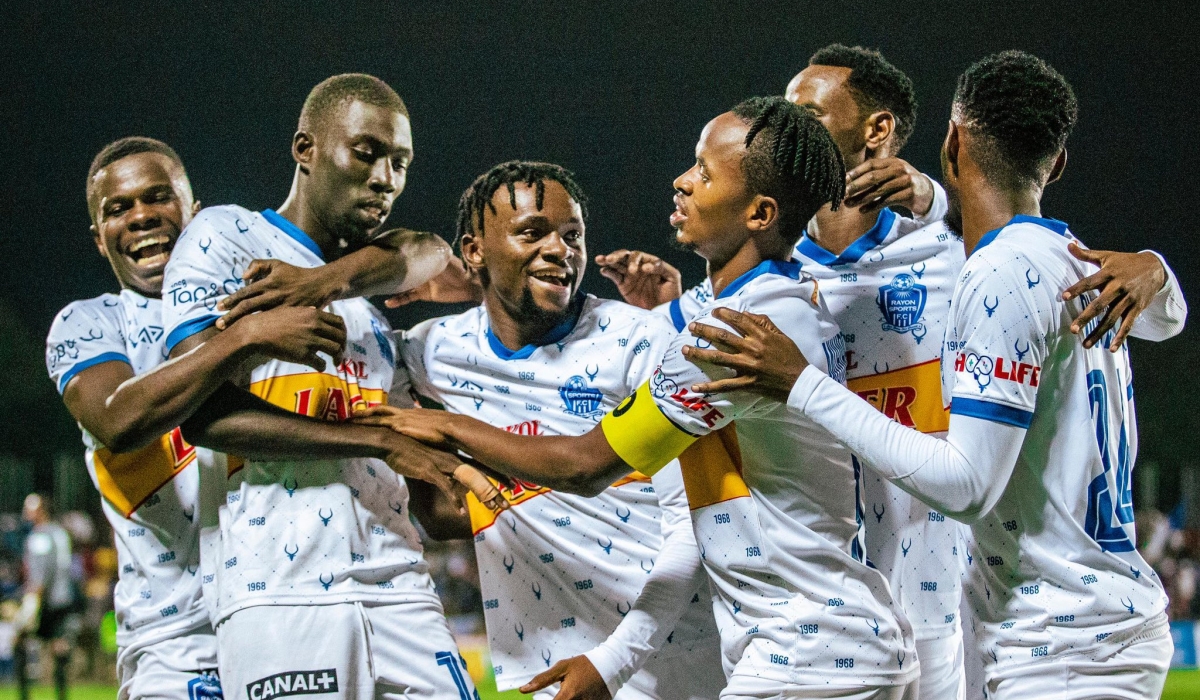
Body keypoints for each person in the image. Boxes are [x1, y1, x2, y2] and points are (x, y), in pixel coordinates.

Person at [592, 45, 1186, 700]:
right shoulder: (767, 275)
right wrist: (668, 306)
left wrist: (1155, 272)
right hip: (819, 611)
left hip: (943, 605)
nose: (786, 124)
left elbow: (1098, 299)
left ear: (879, 132)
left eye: (808, 111)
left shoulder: (957, 255)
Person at [364, 97, 922, 700]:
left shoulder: (711, 336)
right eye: (531, 233)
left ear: (759, 212)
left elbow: (585, 466)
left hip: (786, 655)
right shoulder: (762, 307)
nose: (683, 182)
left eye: (704, 173)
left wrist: (446, 432)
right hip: (803, 647)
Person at [44, 135, 451, 699]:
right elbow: (119, 419)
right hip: (177, 641)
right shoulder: (92, 324)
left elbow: (421, 247)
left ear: (194, 210)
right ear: (99, 239)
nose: (141, 217)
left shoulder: (254, 289)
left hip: (288, 601)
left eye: (158, 198)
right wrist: (248, 336)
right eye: (119, 208)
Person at [160, 73, 497, 700]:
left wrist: (323, 284)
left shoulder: (368, 300)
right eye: (366, 152)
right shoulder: (226, 238)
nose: (385, 179)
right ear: (305, 149)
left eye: (400, 163)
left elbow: (429, 249)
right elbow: (202, 414)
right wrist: (372, 441)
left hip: (399, 584)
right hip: (277, 592)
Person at [378, 160, 722, 700]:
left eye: (573, 235)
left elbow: (697, 525)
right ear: (473, 250)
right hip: (543, 669)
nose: (562, 249)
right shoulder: (431, 351)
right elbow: (441, 515)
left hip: (670, 660)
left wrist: (615, 660)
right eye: (532, 232)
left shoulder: (638, 339)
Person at [13, 494, 79, 700]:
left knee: (19, 642)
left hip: (47, 600)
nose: (26, 513)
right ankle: (61, 695)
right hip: (64, 598)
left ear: (40, 511)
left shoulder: (39, 536)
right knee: (59, 647)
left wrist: (32, 602)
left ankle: (24, 696)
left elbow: (42, 573)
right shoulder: (60, 533)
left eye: (30, 509)